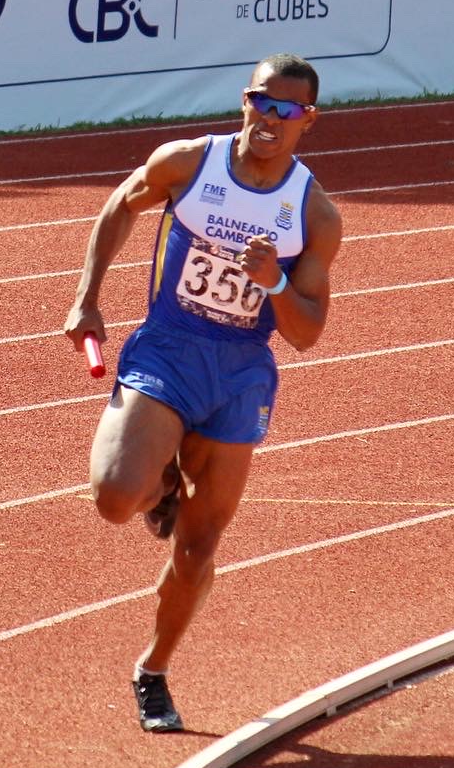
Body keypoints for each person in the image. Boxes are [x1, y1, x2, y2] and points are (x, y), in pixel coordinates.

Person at [63, 53, 343, 733]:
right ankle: (159, 486)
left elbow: (306, 332)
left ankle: (153, 670)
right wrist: (87, 298)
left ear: (309, 119)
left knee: (197, 548)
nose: (269, 119)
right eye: (260, 101)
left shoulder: (314, 213)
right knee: (113, 496)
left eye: (286, 110)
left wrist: (275, 282)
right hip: (169, 348)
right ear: (245, 101)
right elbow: (119, 203)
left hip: (241, 372)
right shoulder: (188, 164)